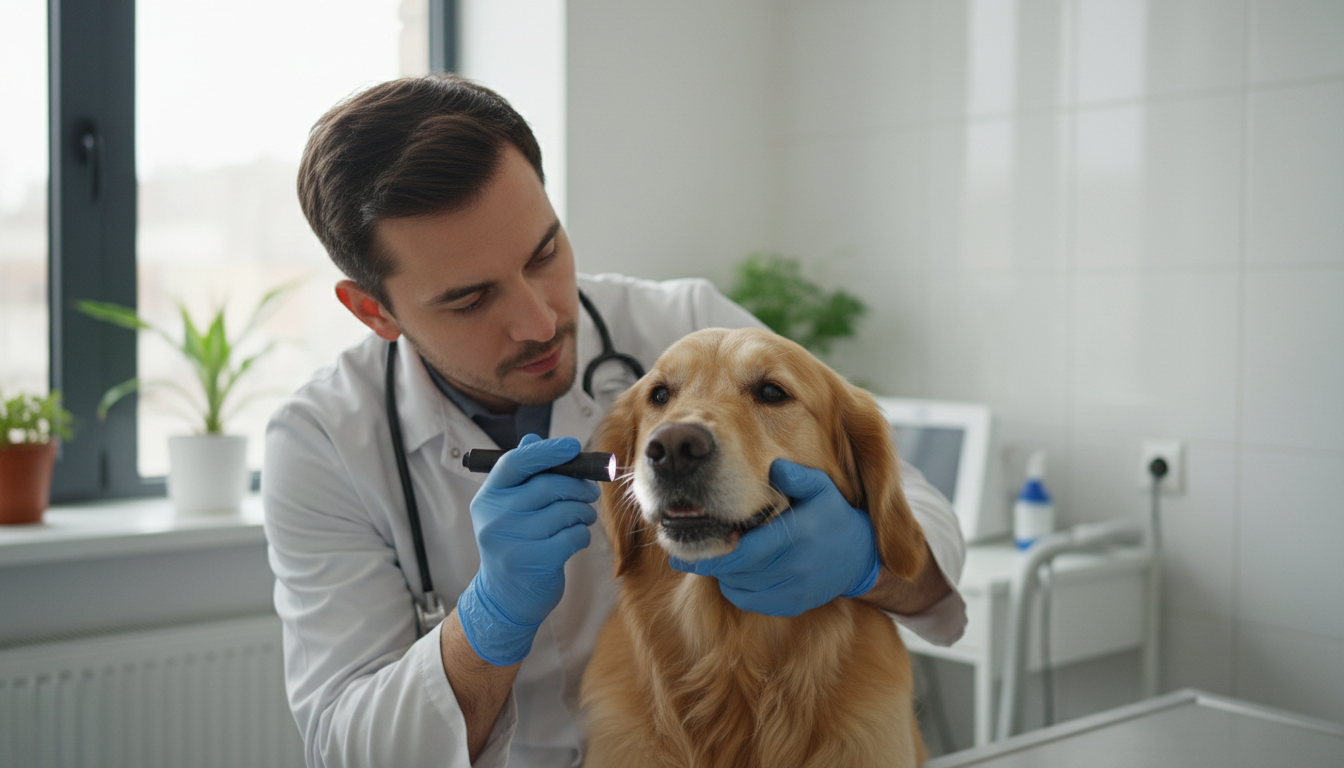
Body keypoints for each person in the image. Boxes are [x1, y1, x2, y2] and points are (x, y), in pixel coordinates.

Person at [263, 73, 967, 768]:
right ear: (374, 310)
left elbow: (923, 537)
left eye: (544, 254)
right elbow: (348, 748)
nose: (540, 322)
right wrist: (488, 621)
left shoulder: (686, 323)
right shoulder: (321, 441)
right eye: (470, 299)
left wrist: (863, 561)